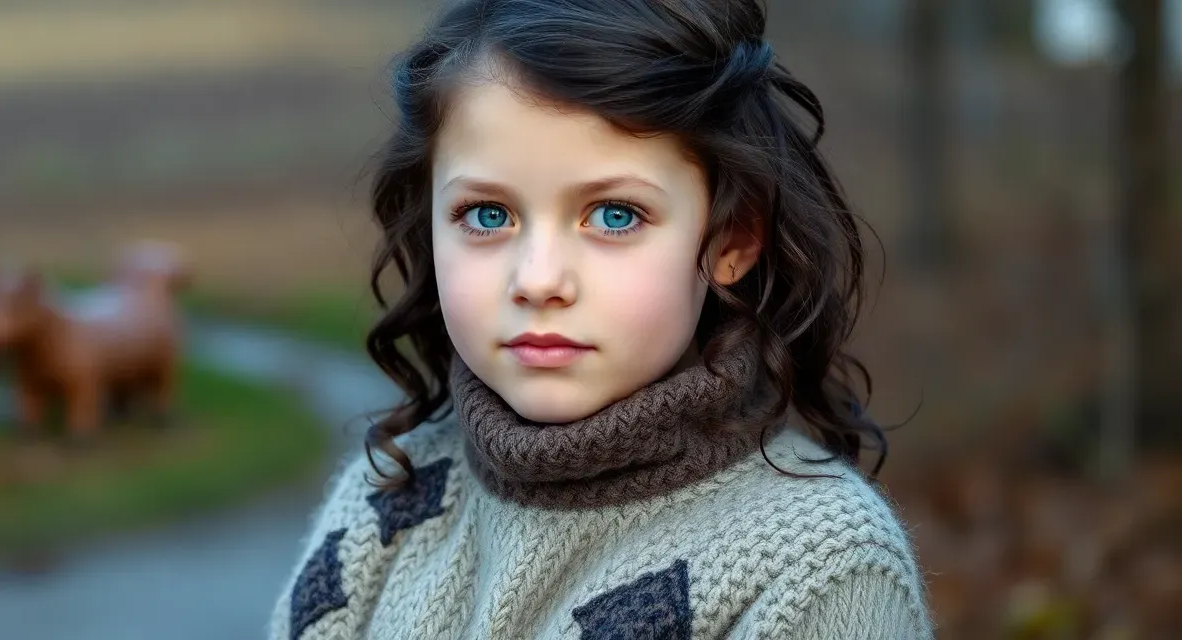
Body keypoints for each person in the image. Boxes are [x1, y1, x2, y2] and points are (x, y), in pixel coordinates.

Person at [270, 0, 933, 637]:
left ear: (731, 240)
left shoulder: (824, 568)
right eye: (487, 215)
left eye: (615, 215)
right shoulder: (386, 498)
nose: (538, 280)